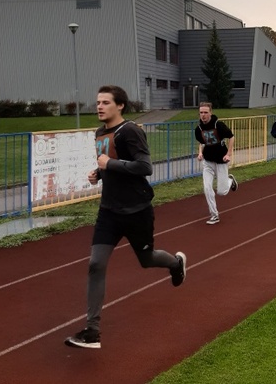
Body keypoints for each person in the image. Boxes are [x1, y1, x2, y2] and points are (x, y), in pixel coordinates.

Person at [65, 85, 186, 349]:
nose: (99, 106)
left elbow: (145, 166)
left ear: (120, 105)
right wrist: (98, 174)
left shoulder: (130, 131)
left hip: (136, 211)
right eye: (98, 102)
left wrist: (109, 165)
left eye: (105, 102)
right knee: (96, 264)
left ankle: (175, 263)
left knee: (147, 259)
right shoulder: (99, 133)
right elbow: (110, 163)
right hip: (109, 211)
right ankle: (92, 331)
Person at [195, 102, 238, 225]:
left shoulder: (218, 125)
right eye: (201, 112)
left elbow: (231, 137)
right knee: (207, 188)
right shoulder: (199, 129)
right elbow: (202, 142)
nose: (203, 115)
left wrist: (229, 154)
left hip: (220, 160)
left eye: (205, 112)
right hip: (207, 161)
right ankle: (214, 215)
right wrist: (200, 153)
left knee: (221, 192)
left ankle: (230, 180)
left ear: (210, 113)